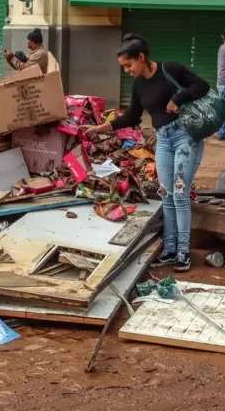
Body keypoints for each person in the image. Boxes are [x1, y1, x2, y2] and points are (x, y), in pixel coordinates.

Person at [81, 34, 209, 272]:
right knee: (166, 195)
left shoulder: (169, 69)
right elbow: (131, 117)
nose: (127, 71)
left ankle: (183, 251)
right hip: (163, 140)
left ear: (141, 57)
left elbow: (202, 86)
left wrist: (178, 98)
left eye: (129, 65)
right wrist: (100, 128)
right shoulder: (139, 84)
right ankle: (169, 249)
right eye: (124, 67)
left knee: (180, 196)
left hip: (185, 137)